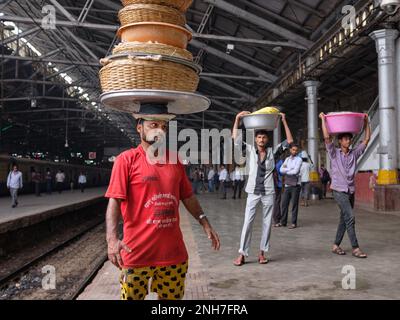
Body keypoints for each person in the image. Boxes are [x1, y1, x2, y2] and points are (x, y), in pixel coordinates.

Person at [105, 103, 220, 300]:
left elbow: (188, 196)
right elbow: (115, 201)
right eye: (153, 125)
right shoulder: (126, 160)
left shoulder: (174, 161)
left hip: (173, 254)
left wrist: (204, 222)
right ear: (139, 127)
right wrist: (112, 240)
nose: (159, 130)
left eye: (164, 127)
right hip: (136, 254)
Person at [232, 111, 293, 266]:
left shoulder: (274, 152)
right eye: (259, 137)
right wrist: (238, 118)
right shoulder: (250, 150)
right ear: (256, 139)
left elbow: (290, 141)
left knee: (267, 223)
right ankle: (242, 253)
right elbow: (235, 139)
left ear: (267, 139)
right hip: (252, 191)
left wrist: (284, 120)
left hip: (268, 192)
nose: (261, 139)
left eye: (264, 137)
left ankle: (261, 253)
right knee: (248, 223)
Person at [320, 112, 371, 259]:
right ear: (340, 141)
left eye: (349, 139)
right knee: (350, 217)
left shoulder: (354, 154)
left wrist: (366, 122)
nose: (348, 141)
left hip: (350, 191)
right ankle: (355, 248)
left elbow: (367, 139)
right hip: (338, 191)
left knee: (344, 218)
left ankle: (336, 245)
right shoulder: (334, 153)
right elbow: (326, 138)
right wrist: (323, 119)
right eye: (346, 139)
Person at [280, 144, 302, 228]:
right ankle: (283, 222)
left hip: (295, 186)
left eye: (296, 150)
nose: (294, 151)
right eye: (293, 150)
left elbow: (295, 171)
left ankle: (293, 223)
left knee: (294, 205)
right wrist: (290, 170)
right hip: (287, 185)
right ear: (290, 150)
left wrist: (287, 170)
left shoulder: (299, 159)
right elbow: (281, 170)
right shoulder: (287, 159)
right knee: (284, 204)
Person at [272, 152, 286, 227]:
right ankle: (276, 219)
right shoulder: (280, 162)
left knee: (275, 201)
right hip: (278, 184)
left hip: (271, 184)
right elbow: (283, 172)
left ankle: (276, 218)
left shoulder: (271, 162)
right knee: (277, 201)